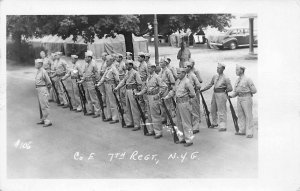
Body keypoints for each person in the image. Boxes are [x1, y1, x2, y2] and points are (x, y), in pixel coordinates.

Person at [163, 68, 195, 147]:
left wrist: (186, 98)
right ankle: (182, 138)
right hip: (178, 103)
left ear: (184, 73)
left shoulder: (187, 82)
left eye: (179, 73)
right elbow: (173, 91)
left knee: (186, 122)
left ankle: (189, 140)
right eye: (177, 73)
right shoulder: (177, 81)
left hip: (185, 103)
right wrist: (166, 97)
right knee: (179, 121)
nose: (177, 75)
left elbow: (193, 94)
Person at [135, 62, 168, 138]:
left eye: (149, 68)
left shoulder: (157, 77)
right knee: (149, 115)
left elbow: (164, 86)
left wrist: (159, 95)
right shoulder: (148, 77)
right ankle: (151, 130)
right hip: (148, 97)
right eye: (148, 68)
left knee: (155, 115)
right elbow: (146, 88)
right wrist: (139, 93)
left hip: (154, 97)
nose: (148, 69)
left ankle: (158, 132)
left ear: (153, 68)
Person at [201, 63, 233, 131]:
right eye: (217, 68)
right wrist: (203, 89)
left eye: (219, 68)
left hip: (221, 94)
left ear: (223, 69)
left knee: (222, 110)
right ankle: (214, 123)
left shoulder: (226, 78)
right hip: (214, 94)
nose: (217, 69)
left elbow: (230, 88)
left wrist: (224, 91)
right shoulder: (215, 76)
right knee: (213, 109)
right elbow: (210, 84)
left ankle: (223, 126)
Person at [229, 64, 257, 138]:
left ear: (241, 70)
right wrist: (231, 95)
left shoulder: (248, 79)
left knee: (248, 115)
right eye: (236, 70)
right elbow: (236, 91)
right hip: (239, 98)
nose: (236, 71)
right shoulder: (237, 80)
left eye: (237, 70)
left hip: (246, 98)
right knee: (240, 115)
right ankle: (242, 130)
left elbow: (254, 90)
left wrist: (247, 93)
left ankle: (250, 132)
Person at [114, 60, 143, 131]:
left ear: (131, 65)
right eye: (125, 65)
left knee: (134, 107)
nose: (126, 66)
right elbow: (123, 81)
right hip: (127, 90)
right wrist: (117, 87)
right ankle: (130, 122)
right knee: (128, 106)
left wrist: (138, 93)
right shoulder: (127, 72)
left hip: (133, 90)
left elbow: (139, 83)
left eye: (127, 65)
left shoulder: (135, 73)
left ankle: (137, 124)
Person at [96, 55, 120, 124]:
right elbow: (103, 77)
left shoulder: (113, 68)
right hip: (106, 85)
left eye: (108, 61)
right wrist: (99, 84)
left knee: (112, 102)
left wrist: (116, 87)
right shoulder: (108, 68)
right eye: (106, 61)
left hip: (111, 85)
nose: (106, 62)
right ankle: (109, 116)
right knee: (108, 102)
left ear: (111, 61)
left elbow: (117, 79)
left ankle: (115, 118)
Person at [77, 50, 101, 118]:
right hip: (86, 82)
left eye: (86, 57)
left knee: (94, 98)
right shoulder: (86, 64)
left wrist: (97, 82)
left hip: (91, 82)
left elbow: (96, 74)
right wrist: (81, 81)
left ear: (90, 58)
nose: (85, 59)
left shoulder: (93, 64)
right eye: (85, 57)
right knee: (88, 97)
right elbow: (85, 74)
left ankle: (97, 111)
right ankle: (91, 110)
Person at [185, 61, 202, 134]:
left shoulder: (193, 76)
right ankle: (191, 126)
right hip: (186, 96)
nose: (185, 68)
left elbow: (198, 85)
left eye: (187, 67)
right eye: (185, 67)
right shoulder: (185, 76)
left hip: (193, 96)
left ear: (190, 67)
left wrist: (193, 89)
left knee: (195, 112)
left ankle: (196, 127)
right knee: (188, 111)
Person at [35, 59, 52, 127]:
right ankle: (43, 119)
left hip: (42, 89)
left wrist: (46, 90)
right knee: (41, 105)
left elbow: (49, 82)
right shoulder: (38, 71)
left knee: (44, 105)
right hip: (39, 89)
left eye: (36, 63)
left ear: (41, 64)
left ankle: (47, 121)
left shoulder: (43, 71)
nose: (35, 65)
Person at [158, 57, 176, 124]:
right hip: (161, 89)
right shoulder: (161, 71)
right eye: (160, 62)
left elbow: (173, 81)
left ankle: (169, 120)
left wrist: (169, 88)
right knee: (162, 105)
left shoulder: (168, 71)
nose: (160, 63)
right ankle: (164, 118)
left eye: (161, 62)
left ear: (165, 63)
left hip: (166, 89)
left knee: (168, 105)